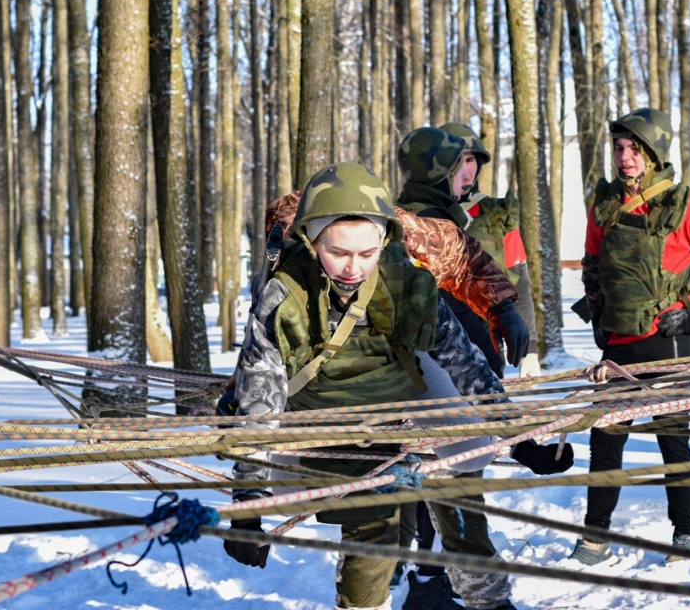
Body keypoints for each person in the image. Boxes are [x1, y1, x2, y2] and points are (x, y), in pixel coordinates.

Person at [223, 162, 572, 610]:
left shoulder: (408, 285)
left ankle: (488, 600)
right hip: (324, 407)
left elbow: (464, 363)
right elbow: (260, 398)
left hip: (405, 385)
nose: (353, 268)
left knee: (458, 467)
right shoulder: (282, 299)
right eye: (338, 252)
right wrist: (249, 500)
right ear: (311, 241)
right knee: (371, 524)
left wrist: (518, 439)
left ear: (385, 241)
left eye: (367, 254)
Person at [569, 108, 690, 565]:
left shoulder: (688, 204)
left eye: (634, 148)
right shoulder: (607, 204)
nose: (625, 157)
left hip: (671, 337)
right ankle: (595, 538)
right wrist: (597, 313)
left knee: (673, 438)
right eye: (619, 147)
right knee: (605, 438)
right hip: (619, 338)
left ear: (653, 153)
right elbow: (592, 264)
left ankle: (683, 536)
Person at [393, 126, 537, 608]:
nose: (470, 171)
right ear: (438, 172)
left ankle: (437, 583)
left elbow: (505, 273)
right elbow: (439, 316)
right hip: (440, 384)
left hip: (467, 374)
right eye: (461, 164)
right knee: (447, 485)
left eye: (474, 161)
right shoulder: (417, 231)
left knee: (447, 484)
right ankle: (439, 585)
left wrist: (507, 314)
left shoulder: (467, 220)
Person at [398, 124, 540, 379]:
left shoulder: (496, 216)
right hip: (446, 353)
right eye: (457, 162)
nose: (464, 172)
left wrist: (530, 348)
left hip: (490, 341)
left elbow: (521, 282)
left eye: (471, 160)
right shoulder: (407, 220)